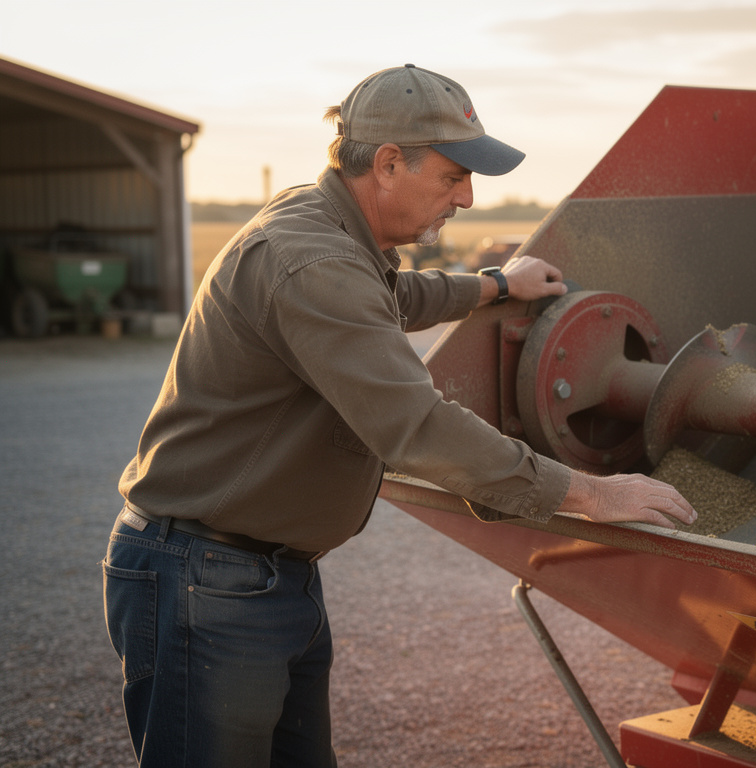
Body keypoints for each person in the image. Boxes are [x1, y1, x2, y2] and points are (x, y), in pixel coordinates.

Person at [102, 64, 696, 768]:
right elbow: (415, 427)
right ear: (387, 163)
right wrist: (594, 493)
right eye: (452, 178)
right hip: (206, 579)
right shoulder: (308, 258)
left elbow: (387, 296)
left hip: (261, 575)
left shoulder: (330, 231)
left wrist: (495, 285)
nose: (469, 198)